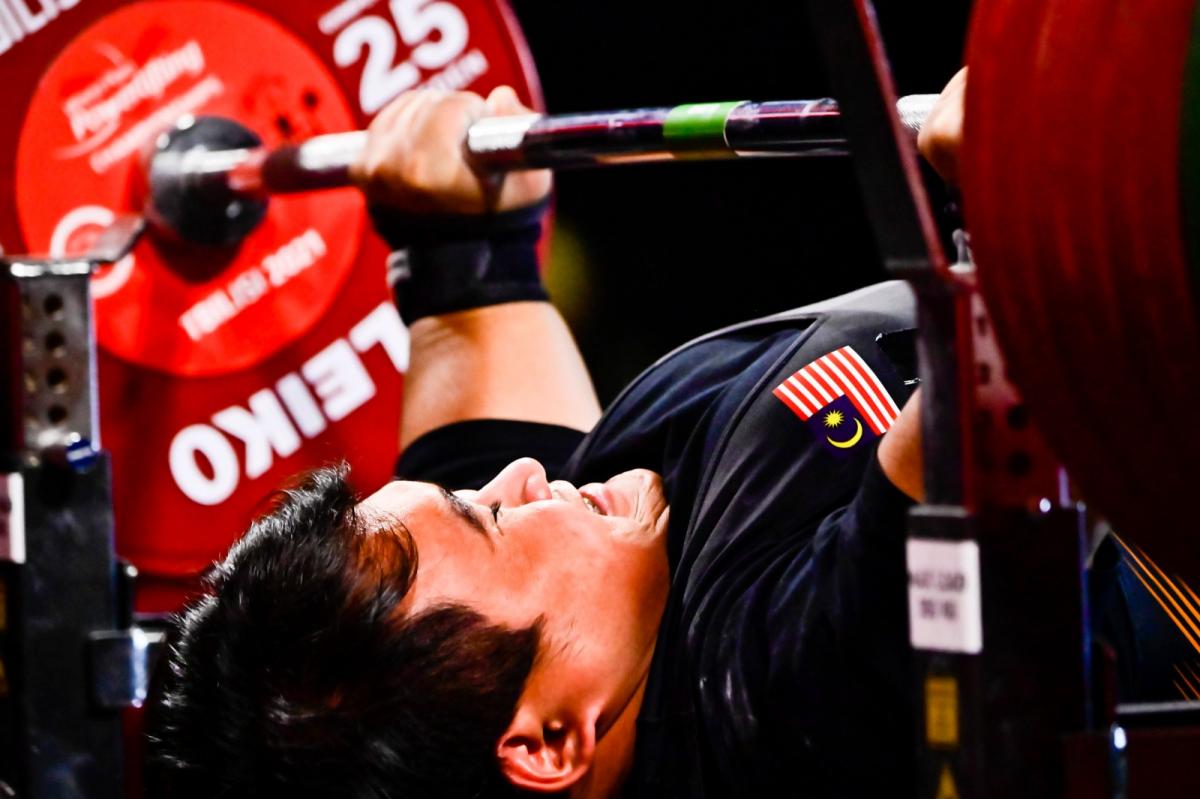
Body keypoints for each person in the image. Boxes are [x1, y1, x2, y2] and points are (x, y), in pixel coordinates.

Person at [147, 77, 1190, 799]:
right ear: (551, 741)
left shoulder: (562, 613)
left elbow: (477, 339)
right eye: (497, 520)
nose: (523, 478)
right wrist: (1014, 203)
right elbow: (1019, 371)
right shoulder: (786, 705)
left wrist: (458, 235)